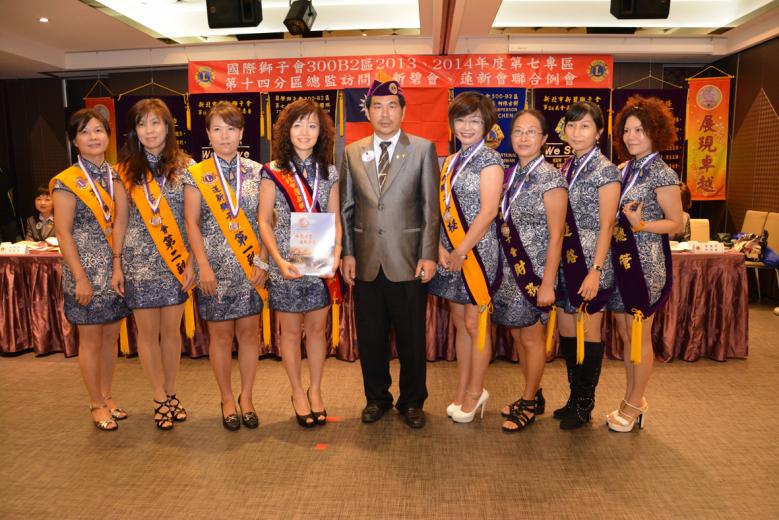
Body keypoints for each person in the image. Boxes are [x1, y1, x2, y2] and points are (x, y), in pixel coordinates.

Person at [339, 79, 439, 429]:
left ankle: (412, 401)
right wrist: (348, 253)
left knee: (411, 337)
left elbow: (430, 207)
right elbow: (347, 207)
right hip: (366, 260)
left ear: (403, 111)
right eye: (377, 107)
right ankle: (376, 398)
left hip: (409, 260)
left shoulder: (423, 150)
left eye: (392, 106)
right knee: (371, 336)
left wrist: (429, 254)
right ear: (367, 112)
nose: (385, 114)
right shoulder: (352, 152)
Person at [112, 98, 196, 430]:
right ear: (134, 131)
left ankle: (172, 392)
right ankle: (159, 397)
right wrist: (117, 263)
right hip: (138, 263)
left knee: (171, 333)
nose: (149, 130)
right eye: (141, 124)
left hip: (175, 262)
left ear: (167, 126)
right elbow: (120, 220)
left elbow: (193, 220)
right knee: (147, 334)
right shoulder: (123, 171)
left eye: (155, 122)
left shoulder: (187, 166)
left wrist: (192, 261)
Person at [183, 101, 267, 431]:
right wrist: (202, 265)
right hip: (213, 271)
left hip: (250, 268)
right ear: (208, 134)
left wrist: (262, 261)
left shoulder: (258, 172)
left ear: (242, 133)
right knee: (219, 337)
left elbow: (266, 221)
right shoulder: (196, 174)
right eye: (217, 129)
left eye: (231, 128)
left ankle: (247, 397)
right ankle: (227, 398)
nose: (224, 135)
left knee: (248, 335)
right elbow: (191, 223)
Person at [259, 99, 341, 428]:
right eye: (297, 125)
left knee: (318, 331)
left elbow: (335, 218)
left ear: (322, 132)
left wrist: (337, 253)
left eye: (312, 125)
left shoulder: (329, 172)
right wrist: (277, 261)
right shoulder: (272, 171)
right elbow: (263, 221)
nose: (304, 132)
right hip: (287, 266)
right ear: (286, 131)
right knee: (291, 334)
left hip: (320, 265)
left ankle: (316, 390)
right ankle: (297, 392)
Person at [50, 108, 131, 431]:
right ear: (74, 140)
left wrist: (118, 264)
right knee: (91, 339)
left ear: (108, 136)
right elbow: (63, 232)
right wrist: (80, 277)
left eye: (98, 130)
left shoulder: (117, 176)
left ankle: (107, 396)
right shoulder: (66, 182)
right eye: (84, 132)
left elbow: (121, 222)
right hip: (83, 272)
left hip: (114, 271)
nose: (93, 137)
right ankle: (96, 403)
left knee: (111, 337)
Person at [607, 96, 683, 432]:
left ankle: (636, 402)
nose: (632, 136)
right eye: (627, 130)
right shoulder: (625, 169)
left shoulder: (662, 173)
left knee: (639, 334)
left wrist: (641, 225)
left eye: (640, 130)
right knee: (626, 334)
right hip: (621, 261)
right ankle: (630, 398)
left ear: (655, 132)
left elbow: (676, 223)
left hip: (646, 264)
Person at [428, 92, 503, 423]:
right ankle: (462, 388)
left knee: (476, 323)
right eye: (461, 119)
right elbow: (438, 209)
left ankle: (476, 391)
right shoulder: (449, 162)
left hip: (477, 254)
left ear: (486, 124)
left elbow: (488, 212)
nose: (467, 127)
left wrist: (461, 250)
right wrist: (439, 247)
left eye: (475, 120)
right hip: (449, 253)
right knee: (459, 323)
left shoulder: (491, 160)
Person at [492, 109, 567, 432]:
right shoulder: (510, 175)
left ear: (544, 138)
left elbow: (557, 235)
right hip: (510, 271)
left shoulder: (551, 178)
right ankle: (533, 393)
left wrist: (548, 283)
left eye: (531, 132)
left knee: (532, 338)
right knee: (518, 335)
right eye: (518, 131)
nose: (523, 138)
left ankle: (527, 402)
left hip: (535, 272)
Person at [553, 102, 620, 430]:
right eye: (571, 125)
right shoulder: (566, 166)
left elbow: (608, 224)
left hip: (592, 263)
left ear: (599, 132)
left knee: (589, 331)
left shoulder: (606, 170)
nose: (576, 132)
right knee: (567, 329)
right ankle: (573, 395)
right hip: (565, 262)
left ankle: (585, 403)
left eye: (584, 126)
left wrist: (595, 269)